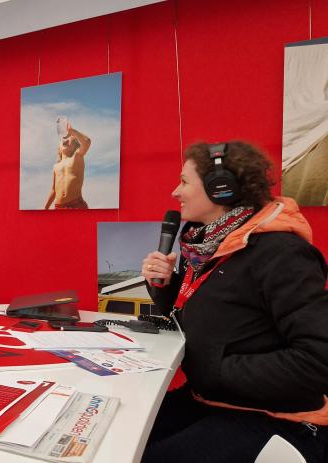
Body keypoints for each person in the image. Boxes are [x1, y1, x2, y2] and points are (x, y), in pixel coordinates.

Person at [140, 141, 328, 463]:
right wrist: (165, 288)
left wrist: (216, 367)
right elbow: (216, 317)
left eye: (184, 181)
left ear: (220, 189)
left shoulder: (282, 254)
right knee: (124, 435)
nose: (175, 191)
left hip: (276, 418)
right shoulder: (207, 249)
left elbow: (317, 361)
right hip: (211, 399)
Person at [43, 121, 91, 209]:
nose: (65, 139)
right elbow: (54, 190)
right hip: (59, 207)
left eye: (70, 138)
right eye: (63, 140)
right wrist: (45, 208)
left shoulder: (77, 157)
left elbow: (87, 142)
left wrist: (73, 132)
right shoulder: (56, 166)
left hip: (76, 205)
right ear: (59, 148)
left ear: (75, 146)